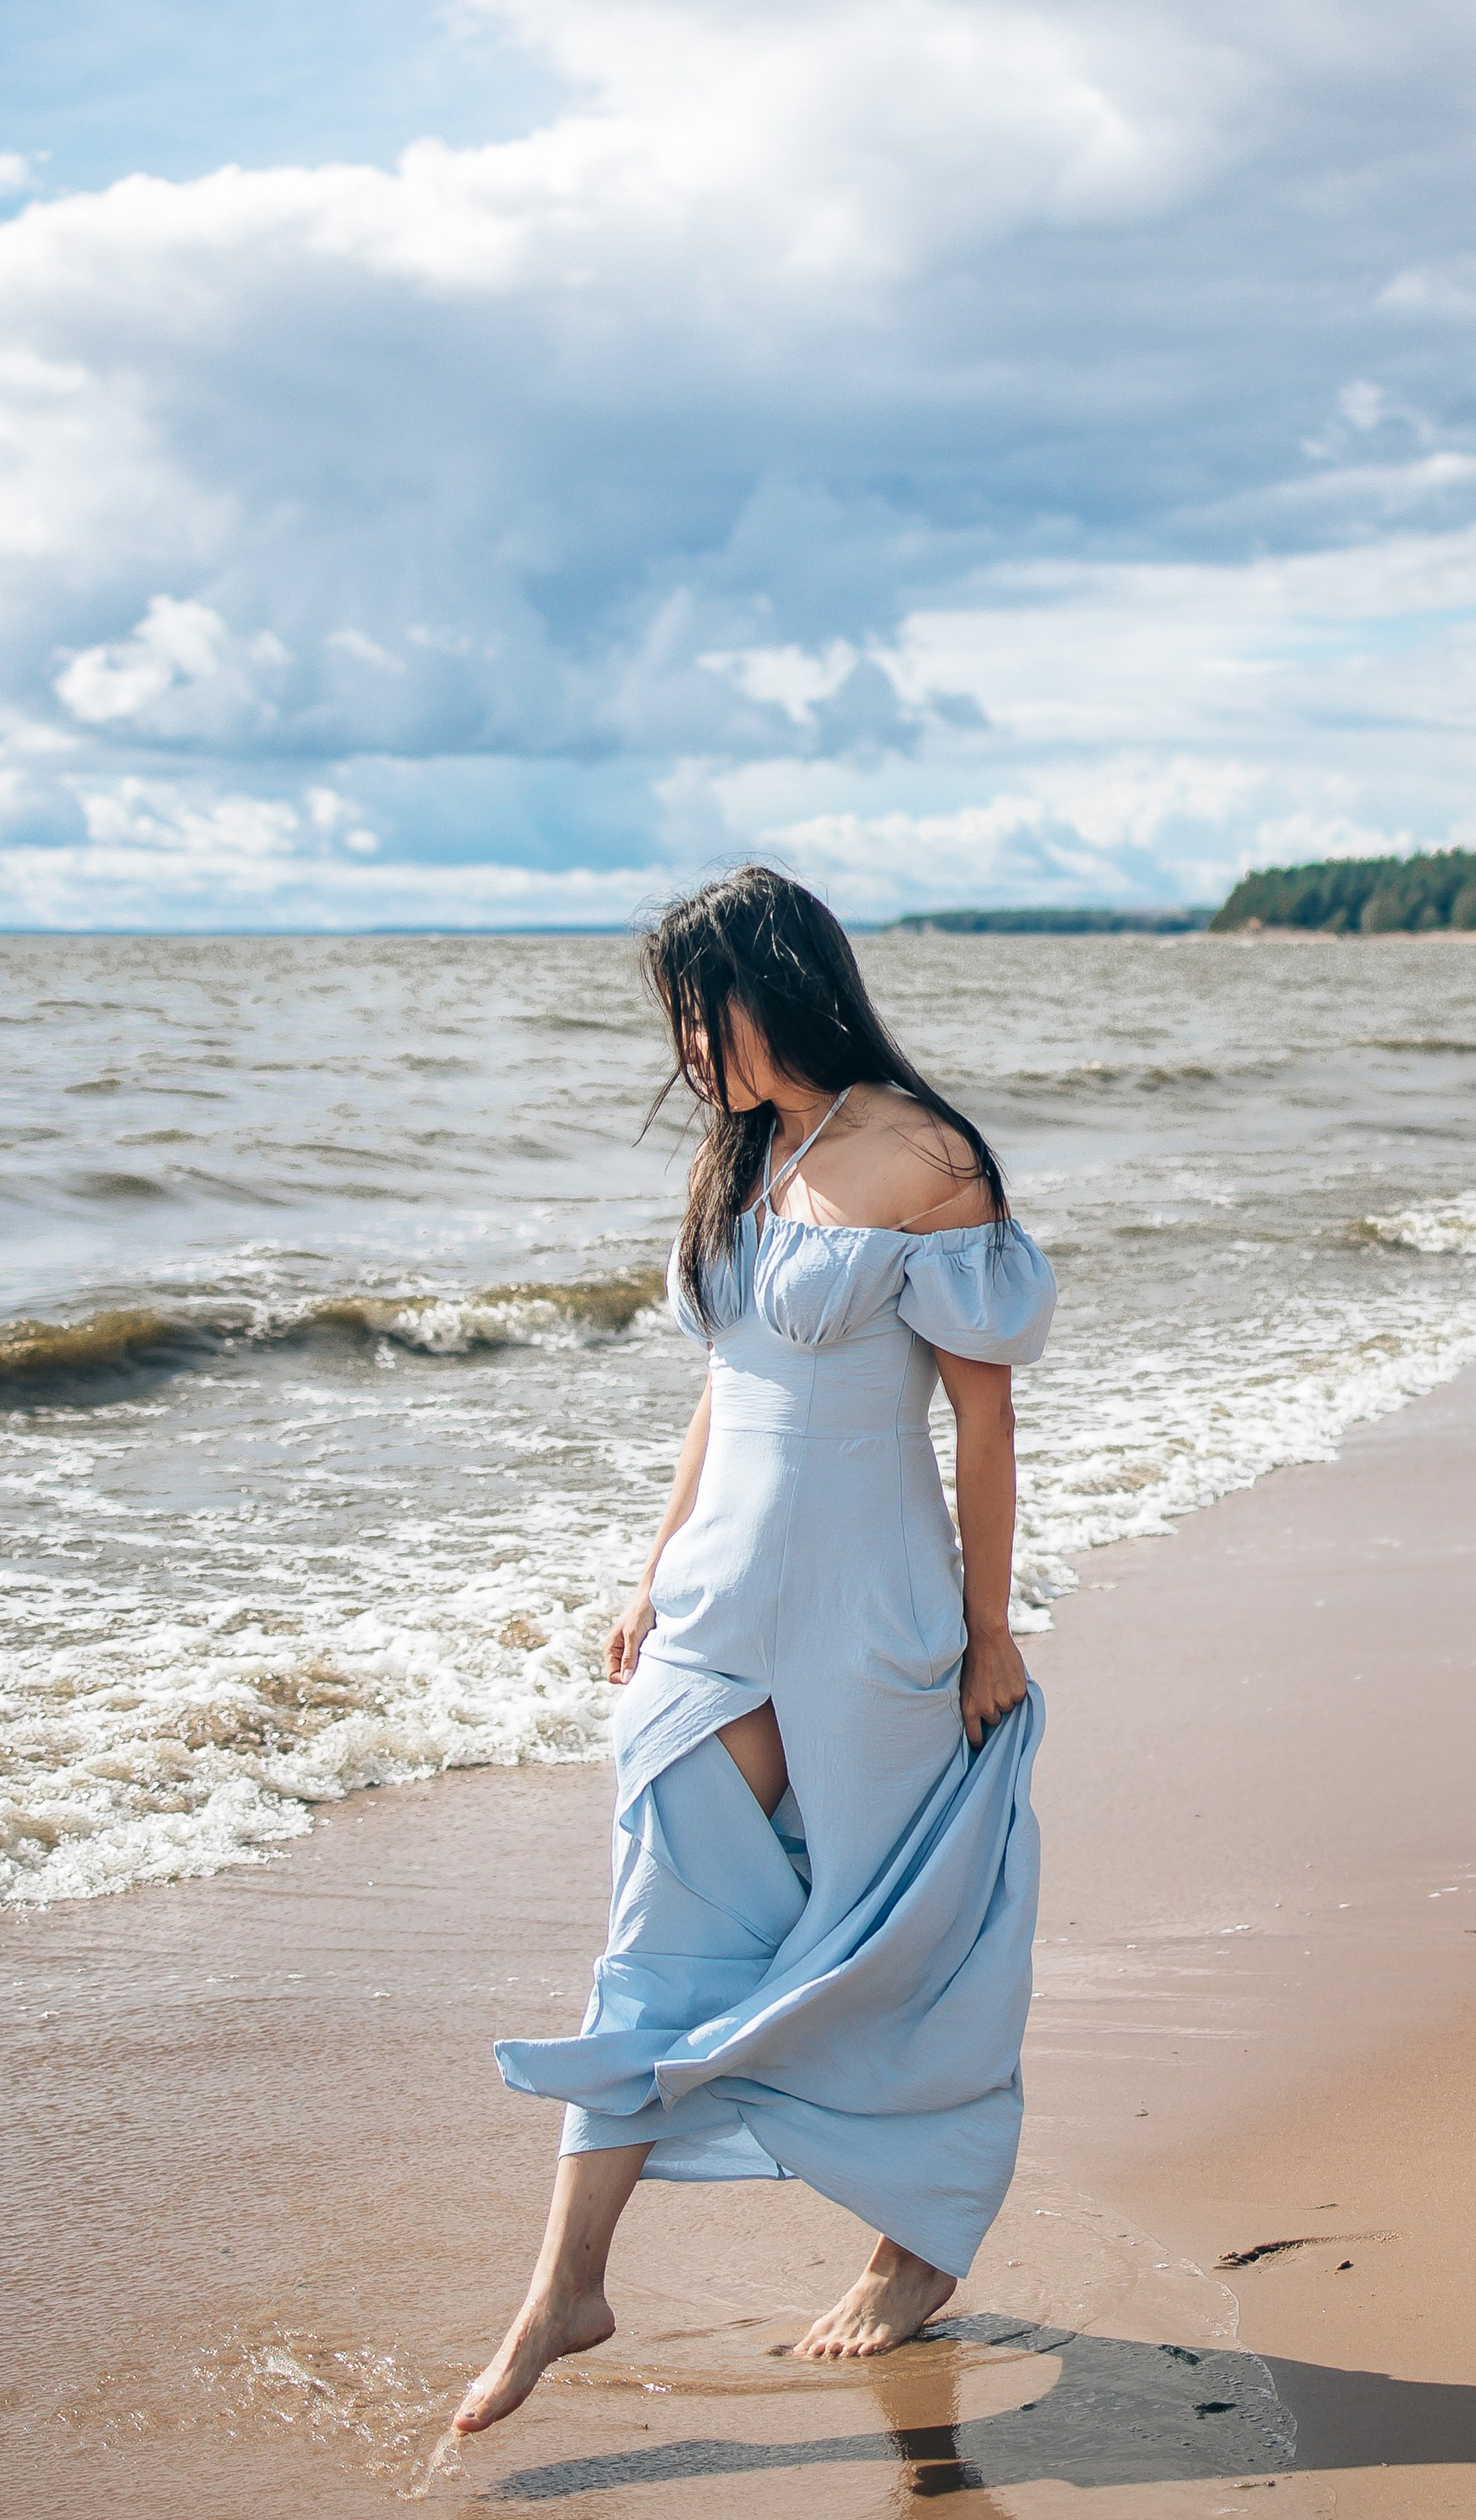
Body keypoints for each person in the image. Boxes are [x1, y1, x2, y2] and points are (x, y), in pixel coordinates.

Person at [455, 864, 1056, 2437]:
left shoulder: (923, 1155)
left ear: (772, 988)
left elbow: (982, 1422)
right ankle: (565, 2287)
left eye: (693, 1007)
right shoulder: (752, 1158)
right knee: (657, 1928)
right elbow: (723, 1387)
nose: (681, 1045)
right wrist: (655, 1572)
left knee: (906, 1933)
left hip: (875, 1613)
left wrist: (992, 1631)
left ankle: (913, 2248)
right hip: (722, 1606)